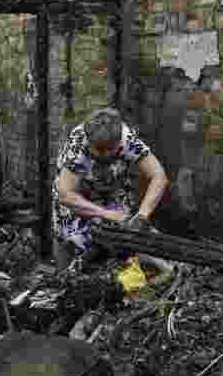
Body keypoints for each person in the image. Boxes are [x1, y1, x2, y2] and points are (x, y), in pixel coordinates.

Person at [52, 107, 169, 273]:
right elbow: (66, 195)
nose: (106, 154)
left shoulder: (127, 139)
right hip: (76, 205)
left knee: (122, 255)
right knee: (71, 265)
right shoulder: (78, 143)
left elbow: (159, 176)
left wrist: (142, 216)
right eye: (100, 149)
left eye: (111, 148)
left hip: (113, 200)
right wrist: (106, 214)